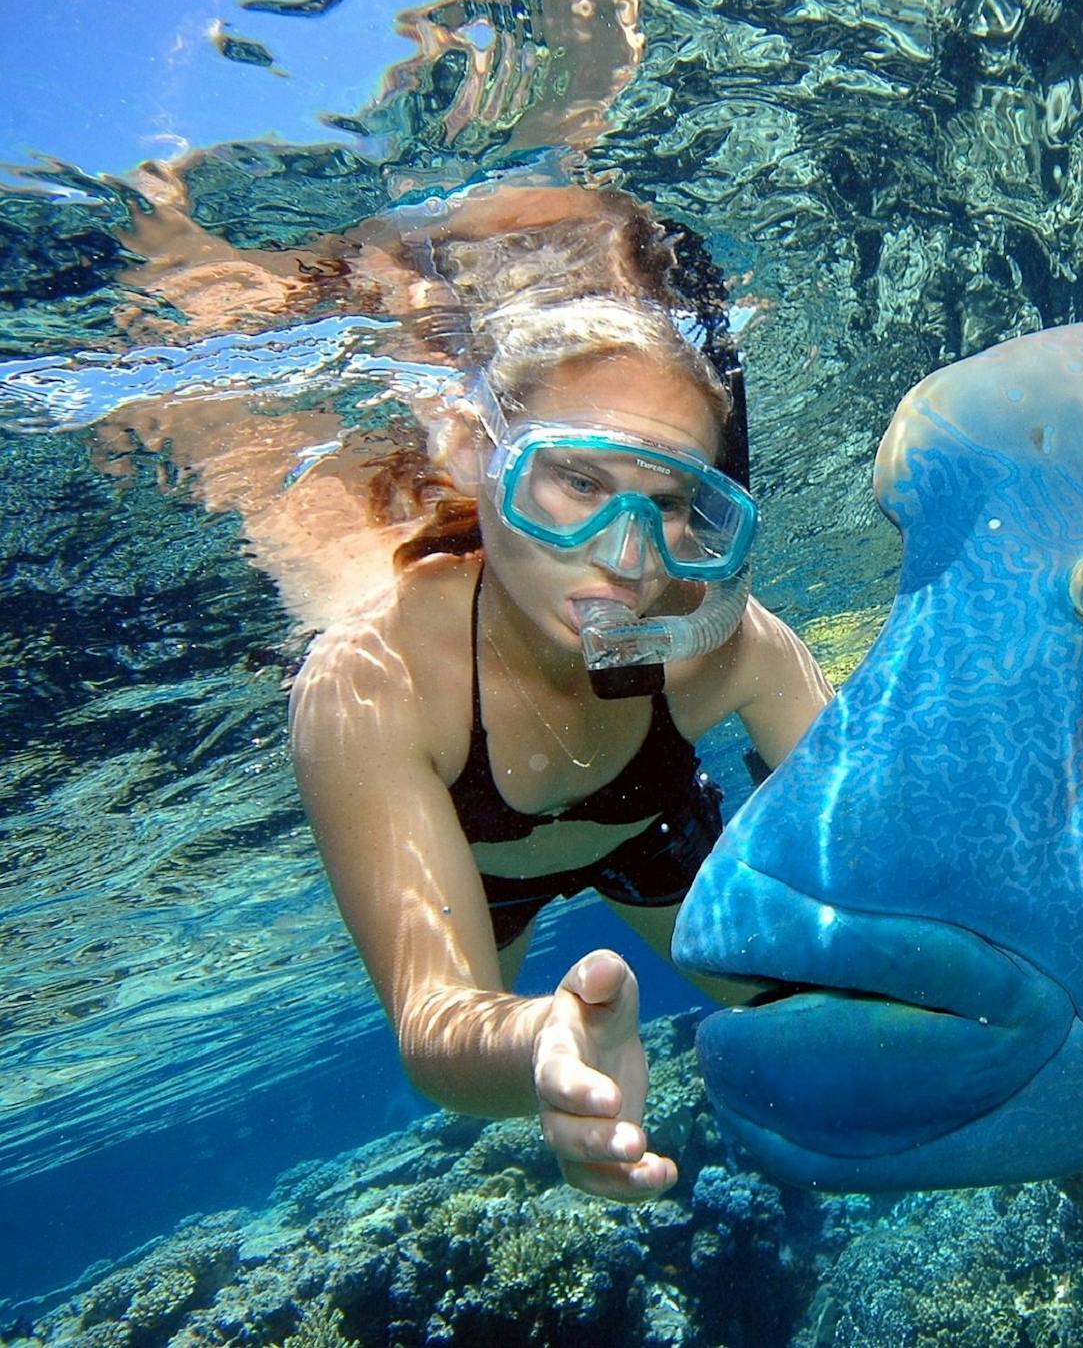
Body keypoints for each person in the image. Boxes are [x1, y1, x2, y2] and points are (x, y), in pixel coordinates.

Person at [287, 185, 831, 1200]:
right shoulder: (379, 681)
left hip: (646, 826)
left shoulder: (723, 646)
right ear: (473, 452)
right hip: (488, 876)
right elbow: (437, 1025)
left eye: (672, 503)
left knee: (797, 1005)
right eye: (575, 483)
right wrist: (544, 1042)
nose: (624, 562)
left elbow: (887, 829)